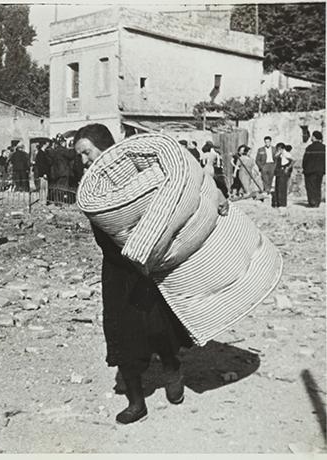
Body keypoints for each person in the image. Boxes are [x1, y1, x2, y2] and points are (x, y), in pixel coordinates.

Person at [73, 124, 214, 425]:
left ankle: (171, 366)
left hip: (148, 265)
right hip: (116, 269)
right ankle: (136, 401)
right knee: (121, 332)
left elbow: (179, 188)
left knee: (158, 326)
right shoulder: (93, 187)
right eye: (80, 156)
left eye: (86, 152)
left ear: (103, 146)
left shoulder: (135, 173)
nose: (84, 161)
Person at [302, 130, 325, 207]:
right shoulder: (324, 148)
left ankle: (312, 202)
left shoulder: (309, 148)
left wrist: (304, 168)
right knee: (318, 186)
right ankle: (317, 202)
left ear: (314, 137)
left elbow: (305, 160)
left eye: (312, 136)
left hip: (310, 171)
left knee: (311, 187)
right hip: (320, 171)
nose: (311, 137)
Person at [272, 143, 293, 208]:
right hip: (278, 171)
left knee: (282, 187)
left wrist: (288, 167)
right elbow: (274, 158)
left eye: (279, 148)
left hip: (283, 171)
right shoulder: (279, 154)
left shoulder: (286, 154)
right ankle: (278, 202)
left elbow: (293, 160)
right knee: (277, 187)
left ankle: (282, 203)